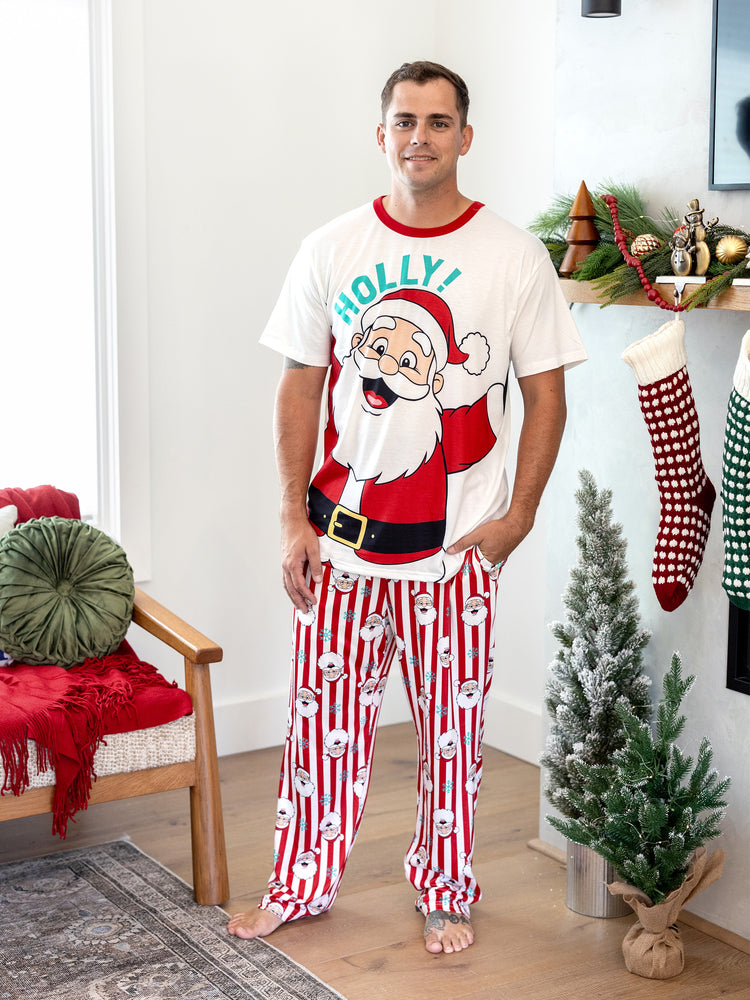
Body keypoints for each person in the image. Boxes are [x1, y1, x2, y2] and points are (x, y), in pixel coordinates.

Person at [227, 60, 586, 955]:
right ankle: (298, 885)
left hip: (457, 553)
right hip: (340, 544)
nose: (418, 136)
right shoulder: (331, 248)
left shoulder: (512, 257)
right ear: (379, 134)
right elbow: (300, 384)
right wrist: (288, 518)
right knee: (322, 730)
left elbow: (546, 395)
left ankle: (445, 888)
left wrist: (518, 517)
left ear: (467, 137)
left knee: (452, 736)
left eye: (437, 121)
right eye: (403, 120)